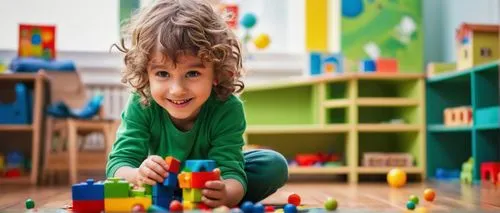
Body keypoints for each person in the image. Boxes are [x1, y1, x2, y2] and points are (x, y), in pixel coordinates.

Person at [105, 0, 288, 208]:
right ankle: (174, 197)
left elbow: (230, 170)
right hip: (160, 183)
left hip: (209, 182)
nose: (177, 89)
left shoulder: (227, 107)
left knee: (273, 165)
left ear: (216, 73)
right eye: (163, 74)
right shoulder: (142, 102)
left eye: (192, 73)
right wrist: (139, 174)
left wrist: (225, 193)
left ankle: (199, 200)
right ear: (146, 74)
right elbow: (118, 165)